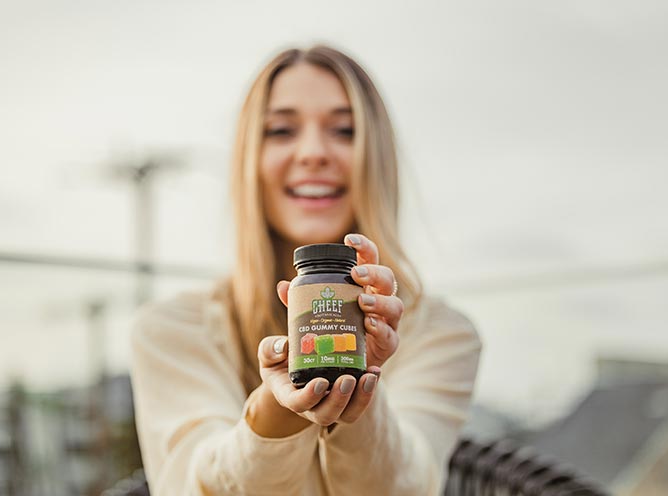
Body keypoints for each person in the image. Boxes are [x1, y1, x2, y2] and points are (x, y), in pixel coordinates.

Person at [130, 45, 482, 496]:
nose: (314, 152)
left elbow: (408, 485)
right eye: (281, 130)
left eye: (344, 130)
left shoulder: (442, 334)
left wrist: (360, 393)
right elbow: (193, 486)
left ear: (376, 158)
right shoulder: (172, 330)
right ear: (249, 160)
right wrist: (276, 409)